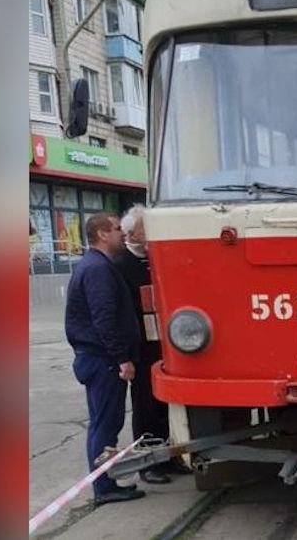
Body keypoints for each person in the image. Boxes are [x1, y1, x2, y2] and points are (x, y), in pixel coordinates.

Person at [64, 212, 144, 506]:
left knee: (102, 422)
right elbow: (104, 319)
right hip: (102, 360)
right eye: (115, 229)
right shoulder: (98, 269)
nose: (121, 233)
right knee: (106, 424)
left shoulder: (95, 265)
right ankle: (104, 486)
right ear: (101, 234)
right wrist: (122, 357)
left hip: (96, 357)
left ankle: (104, 482)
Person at [111, 205, 189, 483]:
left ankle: (168, 457)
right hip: (141, 346)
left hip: (164, 343)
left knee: (165, 406)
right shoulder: (121, 265)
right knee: (144, 406)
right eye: (148, 227)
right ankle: (148, 463)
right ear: (133, 232)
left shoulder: (154, 258)